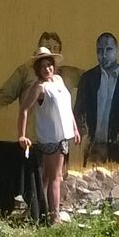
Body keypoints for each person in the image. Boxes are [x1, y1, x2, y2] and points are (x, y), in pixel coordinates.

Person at [0, 31, 81, 132]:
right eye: (48, 48)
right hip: (35, 139)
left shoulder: (68, 74)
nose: (52, 53)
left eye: (56, 49)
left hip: (60, 142)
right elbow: (4, 95)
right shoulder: (25, 71)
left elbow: (92, 79)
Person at [18, 47, 80, 223]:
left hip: (63, 135)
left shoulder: (58, 81)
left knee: (45, 176)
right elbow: (24, 109)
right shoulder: (40, 87)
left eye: (49, 65)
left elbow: (66, 107)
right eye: (43, 66)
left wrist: (74, 128)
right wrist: (21, 135)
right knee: (56, 177)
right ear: (38, 69)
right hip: (50, 137)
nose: (47, 69)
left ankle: (37, 211)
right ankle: (54, 217)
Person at [73, 32, 119, 165]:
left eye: (108, 49)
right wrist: (83, 138)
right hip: (93, 146)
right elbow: (79, 110)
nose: (104, 55)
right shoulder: (88, 78)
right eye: (99, 50)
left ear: (117, 51)